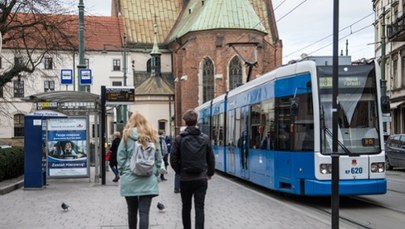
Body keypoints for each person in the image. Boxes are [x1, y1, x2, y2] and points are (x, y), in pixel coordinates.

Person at [170, 109, 215, 229]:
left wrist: (179, 171)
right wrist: (209, 173)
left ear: (185, 122)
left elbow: (173, 159)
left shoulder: (179, 139)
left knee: (186, 206)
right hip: (201, 178)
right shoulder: (205, 138)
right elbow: (211, 158)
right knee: (200, 207)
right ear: (196, 122)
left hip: (185, 179)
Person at [117, 112, 162, 229]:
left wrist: (124, 172)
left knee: (131, 211)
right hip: (148, 178)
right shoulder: (152, 136)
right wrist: (155, 172)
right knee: (144, 213)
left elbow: (120, 157)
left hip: (130, 178)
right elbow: (158, 158)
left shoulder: (126, 136)